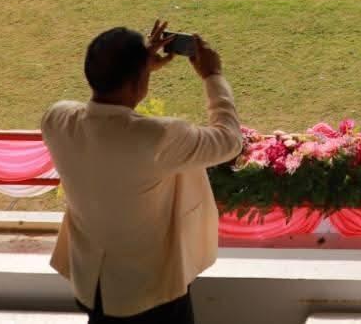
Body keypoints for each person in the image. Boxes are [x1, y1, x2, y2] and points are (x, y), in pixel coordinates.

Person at [42, 23, 240, 324]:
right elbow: (229, 140)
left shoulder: (57, 120)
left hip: (92, 285)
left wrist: (139, 72)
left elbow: (109, 115)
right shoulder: (157, 138)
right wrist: (212, 76)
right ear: (136, 81)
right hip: (151, 295)